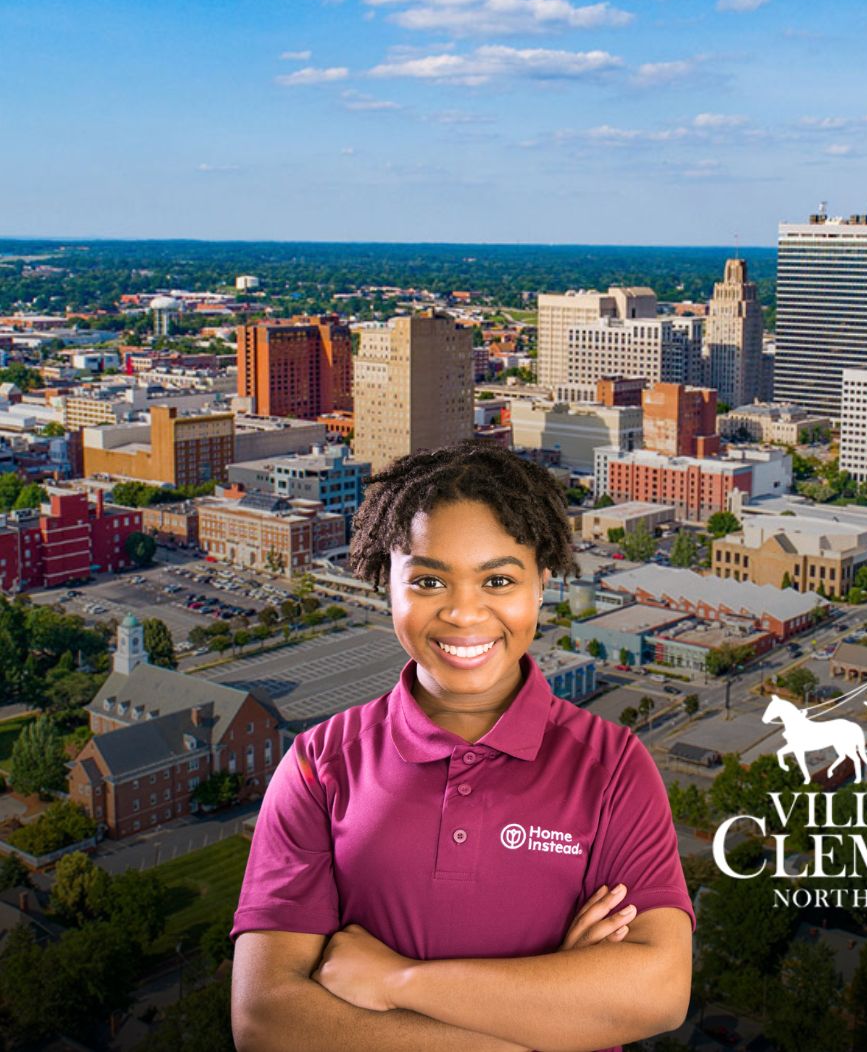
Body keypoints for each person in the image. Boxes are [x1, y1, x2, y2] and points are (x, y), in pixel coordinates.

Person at [230, 441, 694, 1051]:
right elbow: (267, 1021)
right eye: (428, 580)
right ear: (384, 584)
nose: (464, 613)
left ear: (541, 585)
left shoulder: (611, 767)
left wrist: (397, 981)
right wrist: (554, 1015)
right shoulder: (322, 765)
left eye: (498, 579)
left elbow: (656, 993)